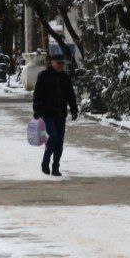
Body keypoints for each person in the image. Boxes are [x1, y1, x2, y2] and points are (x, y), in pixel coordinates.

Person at [32, 44, 79, 177]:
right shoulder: (44, 76)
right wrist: (36, 109)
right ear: (51, 63)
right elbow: (37, 94)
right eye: (58, 63)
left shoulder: (65, 77)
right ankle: (45, 162)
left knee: (59, 142)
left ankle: (56, 166)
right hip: (47, 113)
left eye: (62, 63)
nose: (61, 66)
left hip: (61, 114)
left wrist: (74, 109)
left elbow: (71, 95)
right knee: (53, 137)